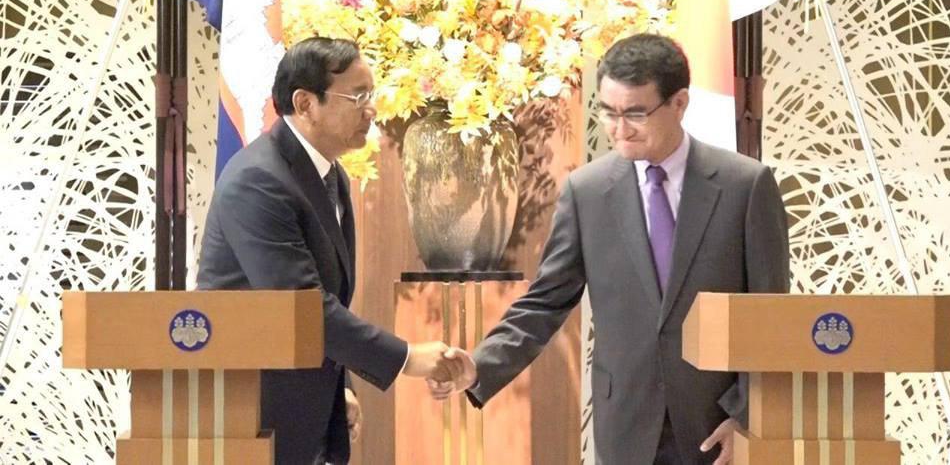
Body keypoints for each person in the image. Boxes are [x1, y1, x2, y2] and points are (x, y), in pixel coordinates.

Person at [431, 33, 789, 464]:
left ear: (679, 103)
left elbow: (772, 316)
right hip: (625, 424)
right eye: (609, 112)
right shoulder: (588, 192)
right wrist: (481, 365)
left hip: (717, 424)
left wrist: (746, 417)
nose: (619, 129)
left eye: (635, 114)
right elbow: (546, 301)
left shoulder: (744, 186)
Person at [197, 37, 466, 465]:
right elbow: (301, 307)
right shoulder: (259, 180)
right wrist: (407, 358)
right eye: (357, 97)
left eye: (371, 95)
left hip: (302, 409)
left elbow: (330, 301)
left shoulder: (329, 174)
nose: (371, 110)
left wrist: (340, 386)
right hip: (251, 415)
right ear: (306, 104)